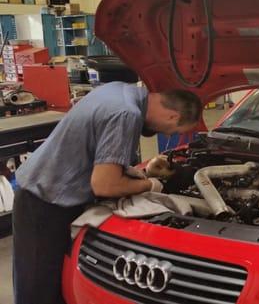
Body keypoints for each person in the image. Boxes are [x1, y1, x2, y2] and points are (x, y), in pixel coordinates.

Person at [12, 81, 202, 304]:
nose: (167, 134)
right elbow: (105, 186)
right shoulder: (127, 114)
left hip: (44, 190)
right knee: (38, 291)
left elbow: (93, 148)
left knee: (51, 282)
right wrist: (150, 185)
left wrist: (136, 172)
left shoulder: (117, 90)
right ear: (173, 117)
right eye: (174, 131)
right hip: (45, 203)